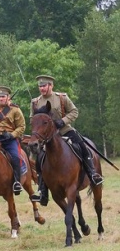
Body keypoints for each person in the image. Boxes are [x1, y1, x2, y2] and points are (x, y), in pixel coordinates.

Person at [30, 75, 103, 206]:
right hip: (47, 137)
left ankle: (92, 174)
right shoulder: (35, 102)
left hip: (64, 130)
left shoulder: (62, 98)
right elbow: (33, 119)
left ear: (51, 86)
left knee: (82, 146)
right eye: (40, 86)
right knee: (39, 158)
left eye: (44, 86)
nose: (42, 88)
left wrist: (62, 121)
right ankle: (42, 190)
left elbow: (74, 112)